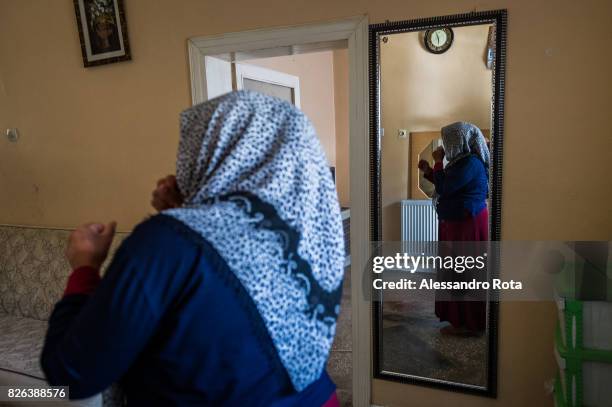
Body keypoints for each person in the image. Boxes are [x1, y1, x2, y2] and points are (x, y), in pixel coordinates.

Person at [41, 91, 345, 406]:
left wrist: (85, 267)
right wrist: (186, 210)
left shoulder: (163, 243)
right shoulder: (313, 237)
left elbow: (72, 374)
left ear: (212, 153)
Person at [418, 122, 490, 336]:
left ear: (458, 141)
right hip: (459, 223)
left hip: (466, 225)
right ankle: (460, 320)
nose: (445, 145)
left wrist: (438, 162)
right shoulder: (461, 163)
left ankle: (470, 324)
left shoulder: (471, 163)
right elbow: (450, 185)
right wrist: (430, 171)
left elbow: (447, 187)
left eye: (447, 141)